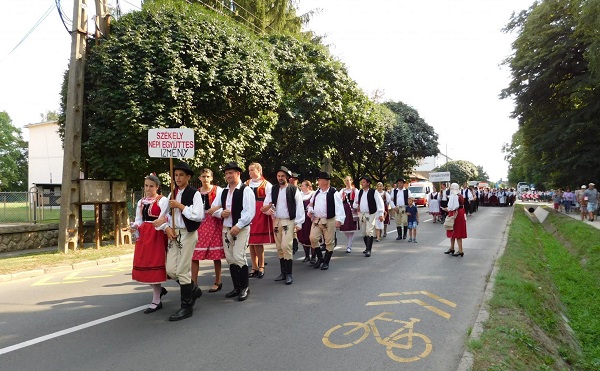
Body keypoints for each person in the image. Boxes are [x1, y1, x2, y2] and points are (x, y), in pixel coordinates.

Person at [208, 162, 255, 301]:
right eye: (226, 173)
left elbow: (249, 212)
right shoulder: (223, 191)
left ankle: (245, 287)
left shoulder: (245, 190)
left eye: (231, 173)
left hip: (241, 228)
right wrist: (221, 213)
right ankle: (236, 287)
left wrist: (239, 225)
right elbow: (213, 208)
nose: (228, 175)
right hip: (226, 228)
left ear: (238, 174)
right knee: (230, 258)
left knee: (239, 256)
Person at [164, 162, 205, 321]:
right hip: (175, 233)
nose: (178, 178)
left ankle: (186, 306)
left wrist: (181, 206)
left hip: (188, 233)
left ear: (188, 177)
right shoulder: (171, 194)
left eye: (181, 175)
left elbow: (198, 216)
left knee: (182, 270)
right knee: (171, 270)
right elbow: (166, 215)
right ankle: (193, 289)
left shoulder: (194, 194)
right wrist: (167, 227)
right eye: (176, 175)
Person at [130, 173, 169, 314]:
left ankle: (156, 299)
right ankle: (158, 292)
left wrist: (160, 225)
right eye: (146, 185)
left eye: (151, 186)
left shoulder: (162, 200)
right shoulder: (141, 202)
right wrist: (134, 227)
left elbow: (164, 218)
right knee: (145, 265)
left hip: (156, 234)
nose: (148, 188)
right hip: (144, 235)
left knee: (155, 266)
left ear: (157, 187)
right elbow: (139, 219)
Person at [261, 166, 305, 285]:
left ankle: (289, 273)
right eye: (279, 176)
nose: (280, 178)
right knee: (280, 247)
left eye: (282, 176)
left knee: (286, 246)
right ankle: (283, 273)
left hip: (288, 221)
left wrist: (299, 222)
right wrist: (268, 211)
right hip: (277, 220)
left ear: (287, 177)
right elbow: (266, 204)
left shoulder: (293, 189)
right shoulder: (273, 189)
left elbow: (300, 207)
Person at [192, 169, 225, 293]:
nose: (205, 179)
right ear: (199, 178)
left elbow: (224, 203)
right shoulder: (196, 192)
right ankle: (194, 283)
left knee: (215, 255)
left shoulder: (218, 190)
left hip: (214, 222)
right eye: (203, 176)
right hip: (200, 223)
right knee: (195, 254)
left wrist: (216, 208)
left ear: (211, 178)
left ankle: (218, 280)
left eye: (207, 176)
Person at [307, 171, 345, 270]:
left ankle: (326, 261)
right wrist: (310, 210)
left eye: (319, 180)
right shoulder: (316, 193)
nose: (318, 181)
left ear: (325, 181)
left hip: (329, 220)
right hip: (317, 220)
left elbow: (339, 207)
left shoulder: (334, 193)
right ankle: (320, 258)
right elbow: (310, 204)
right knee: (313, 238)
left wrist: (339, 220)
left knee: (329, 242)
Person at [246, 163, 274, 279]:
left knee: (257, 241)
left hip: (259, 212)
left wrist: (266, 208)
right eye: (249, 170)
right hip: (249, 211)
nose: (250, 172)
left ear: (259, 170)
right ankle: (254, 266)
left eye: (252, 170)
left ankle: (261, 265)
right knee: (250, 242)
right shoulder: (246, 184)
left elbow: (271, 199)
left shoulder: (266, 184)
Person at [353, 176, 384, 257]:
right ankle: (367, 247)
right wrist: (357, 205)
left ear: (368, 183)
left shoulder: (374, 192)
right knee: (363, 232)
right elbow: (355, 203)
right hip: (362, 214)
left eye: (363, 182)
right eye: (361, 182)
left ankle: (369, 250)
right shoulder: (360, 192)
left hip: (370, 214)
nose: (362, 183)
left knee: (369, 231)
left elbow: (380, 203)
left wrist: (381, 214)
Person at [443, 183, 467, 257]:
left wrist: (446, 209)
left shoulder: (455, 196)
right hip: (460, 213)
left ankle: (460, 250)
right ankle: (452, 248)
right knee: (453, 232)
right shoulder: (460, 195)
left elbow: (453, 207)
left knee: (456, 232)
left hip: (456, 214)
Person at [339, 175, 359, 253]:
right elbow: (338, 198)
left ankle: (349, 245)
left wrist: (355, 205)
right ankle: (350, 241)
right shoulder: (342, 190)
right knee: (344, 228)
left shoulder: (355, 190)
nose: (347, 182)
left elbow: (357, 199)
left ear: (351, 181)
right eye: (346, 180)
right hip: (344, 210)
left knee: (352, 228)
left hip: (352, 210)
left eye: (348, 180)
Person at [298, 180, 315, 263]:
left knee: (312, 237)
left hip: (310, 218)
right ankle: (307, 256)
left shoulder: (313, 194)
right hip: (302, 218)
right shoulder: (300, 195)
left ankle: (313, 257)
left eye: (303, 185)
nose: (301, 187)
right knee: (303, 236)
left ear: (308, 186)